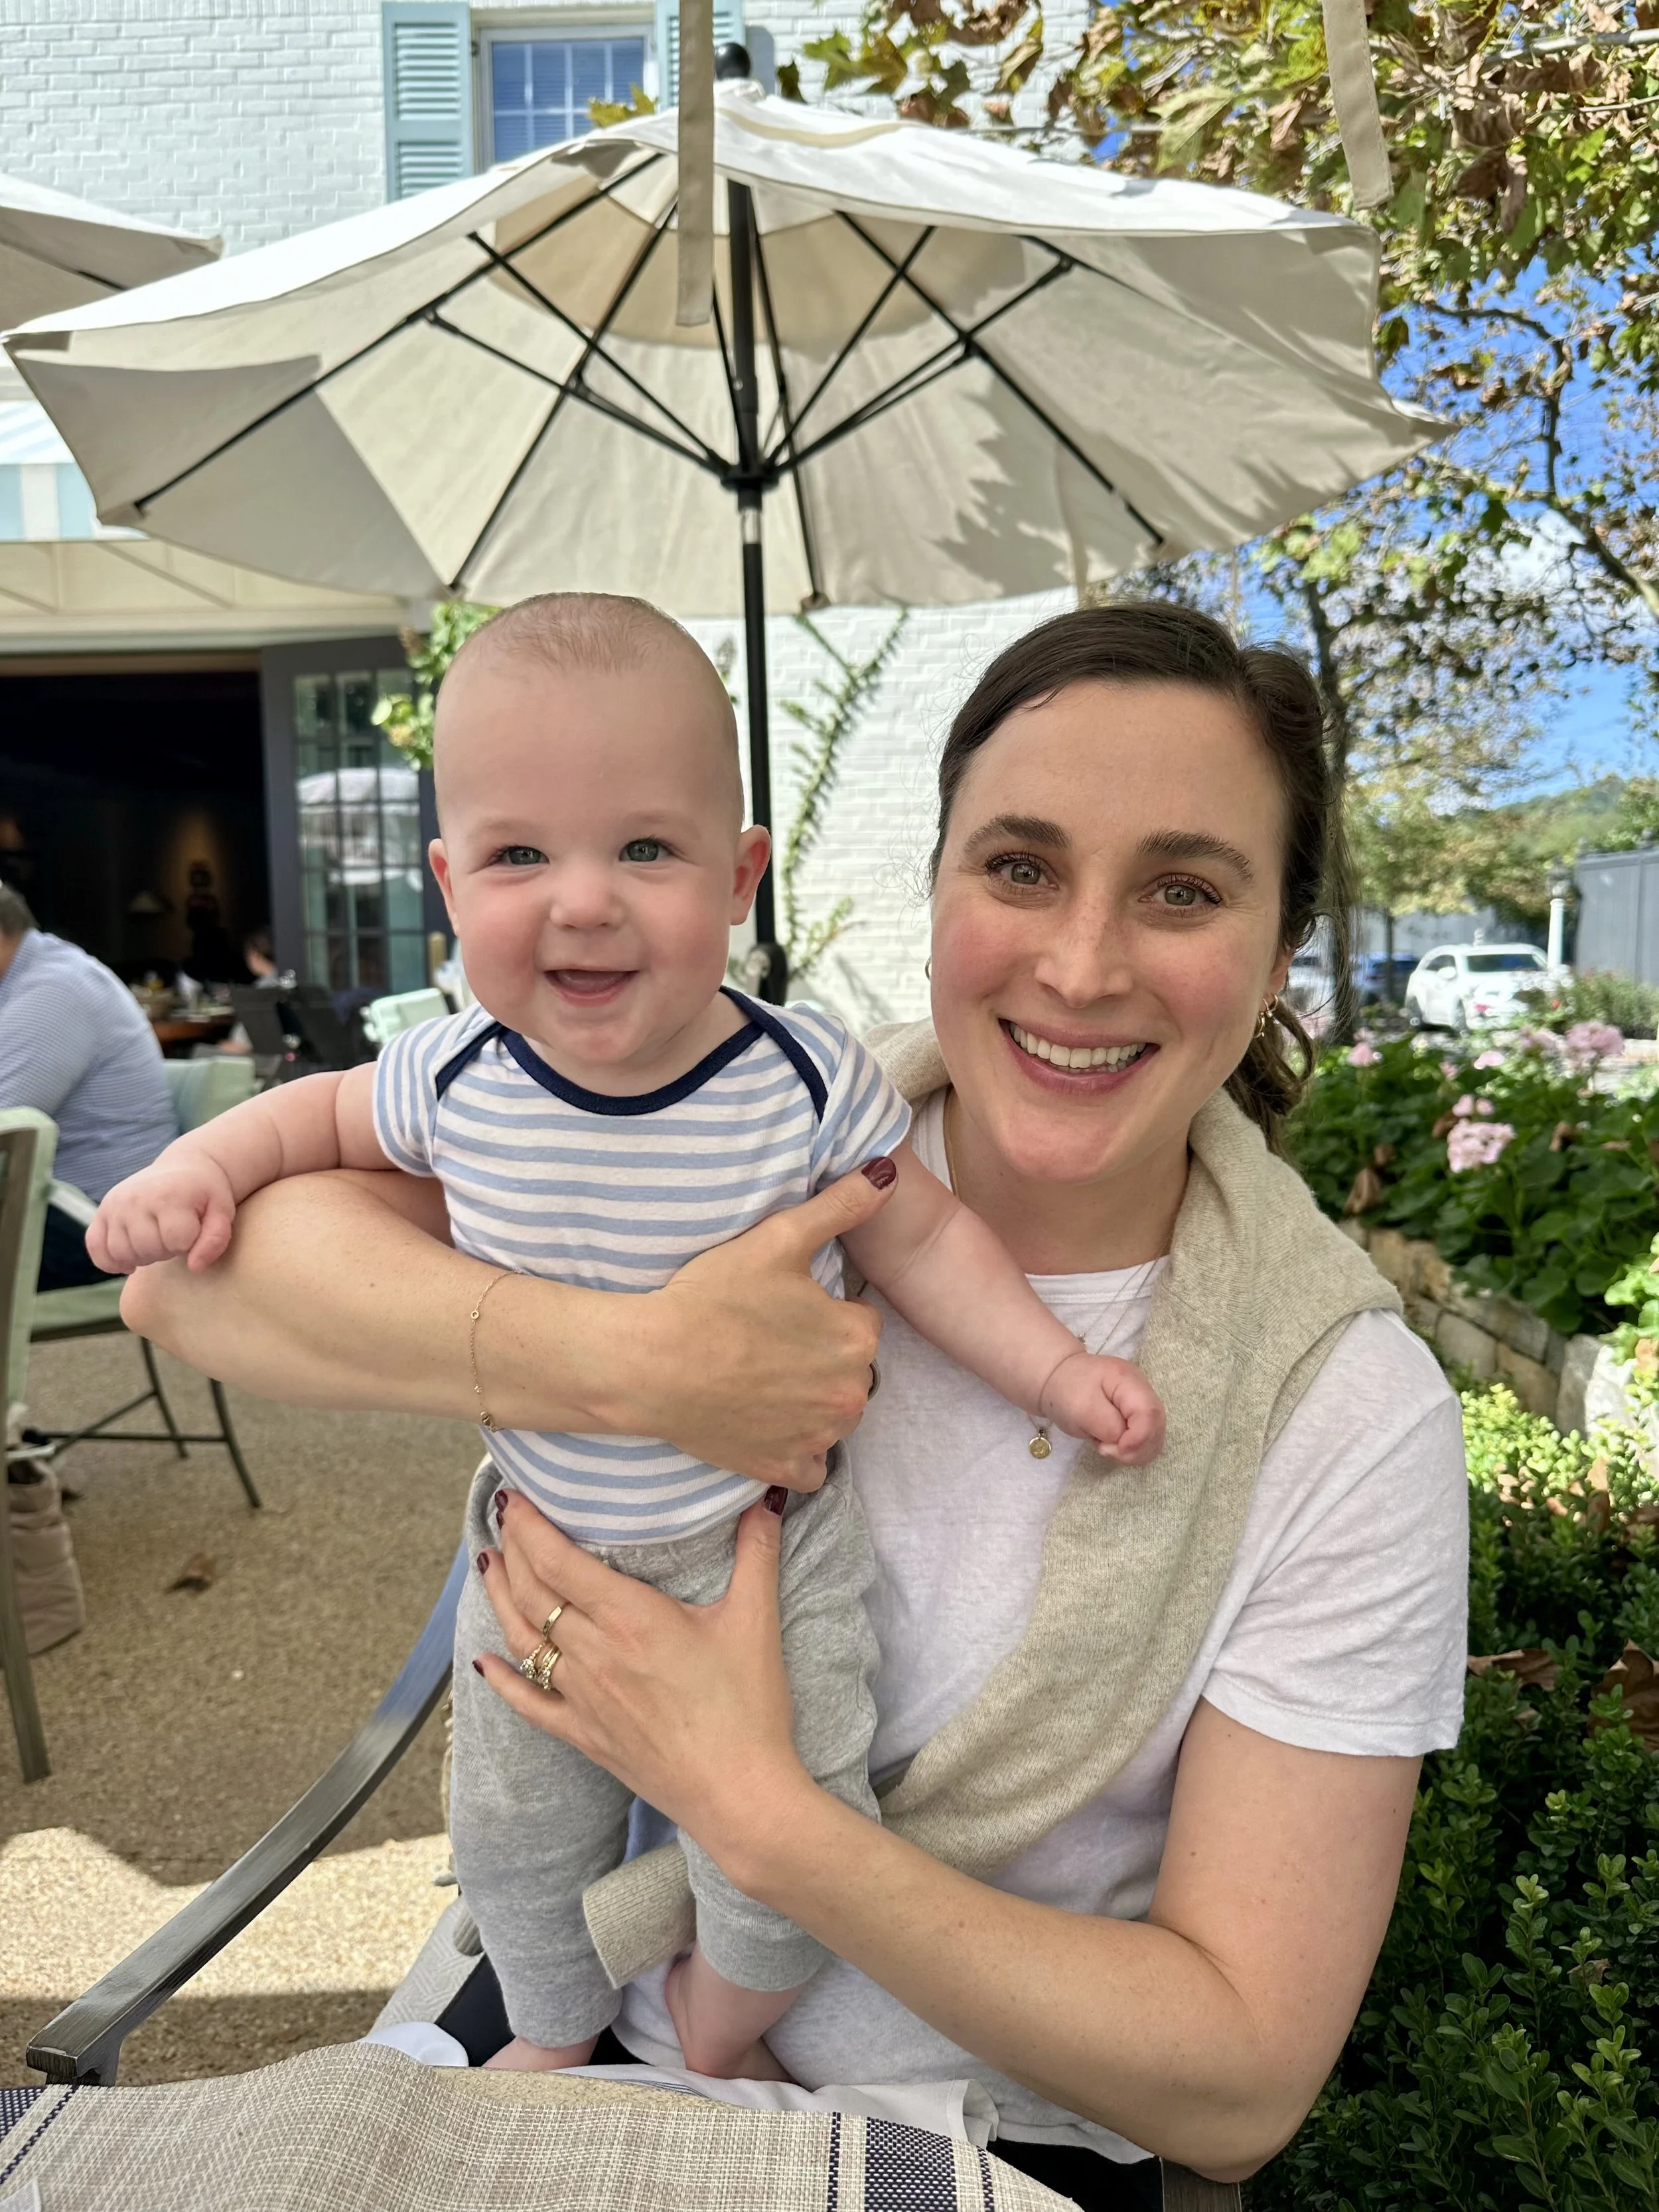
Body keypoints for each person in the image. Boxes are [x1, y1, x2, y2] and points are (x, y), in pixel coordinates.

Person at [124, 602, 1468, 2205]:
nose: (1083, 960)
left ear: (1274, 952)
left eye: (1183, 889)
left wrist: (761, 1813)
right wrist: (642, 1363)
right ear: (938, 891)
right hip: (592, 2040)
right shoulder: (709, 1144)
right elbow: (189, 1281)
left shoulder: (1337, 1409)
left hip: (980, 2139)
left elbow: (1238, 2082)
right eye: (1021, 867)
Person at [93, 594, 1163, 2086]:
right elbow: (311, 1123)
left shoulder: (797, 1077)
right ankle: (554, 2025)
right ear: (447, 880)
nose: (582, 900)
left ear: (737, 879)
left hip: (766, 1548)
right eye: (521, 853)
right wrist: (195, 1173)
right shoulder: (458, 1071)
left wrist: (1054, 1368)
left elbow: (917, 1235)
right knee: (512, 1837)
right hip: (542, 1552)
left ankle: (716, 2037)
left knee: (800, 1830)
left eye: (643, 849)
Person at [0, 885, 177, 1291]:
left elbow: (5, 1123)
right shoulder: (36, 977)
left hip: (96, 1219)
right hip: (66, 1206)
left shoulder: (52, 990)